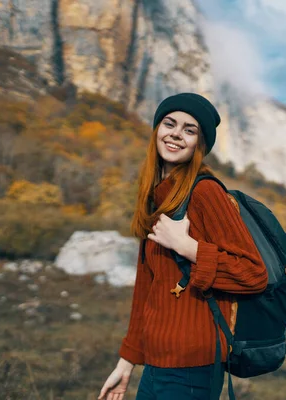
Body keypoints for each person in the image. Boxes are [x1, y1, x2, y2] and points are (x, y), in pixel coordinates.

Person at [98, 93, 268, 400]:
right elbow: (146, 290)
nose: (176, 133)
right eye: (169, 123)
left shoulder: (205, 193)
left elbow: (253, 273)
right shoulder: (156, 198)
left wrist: (188, 247)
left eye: (190, 130)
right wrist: (127, 361)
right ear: (157, 130)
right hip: (156, 364)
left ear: (199, 146)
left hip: (193, 367)